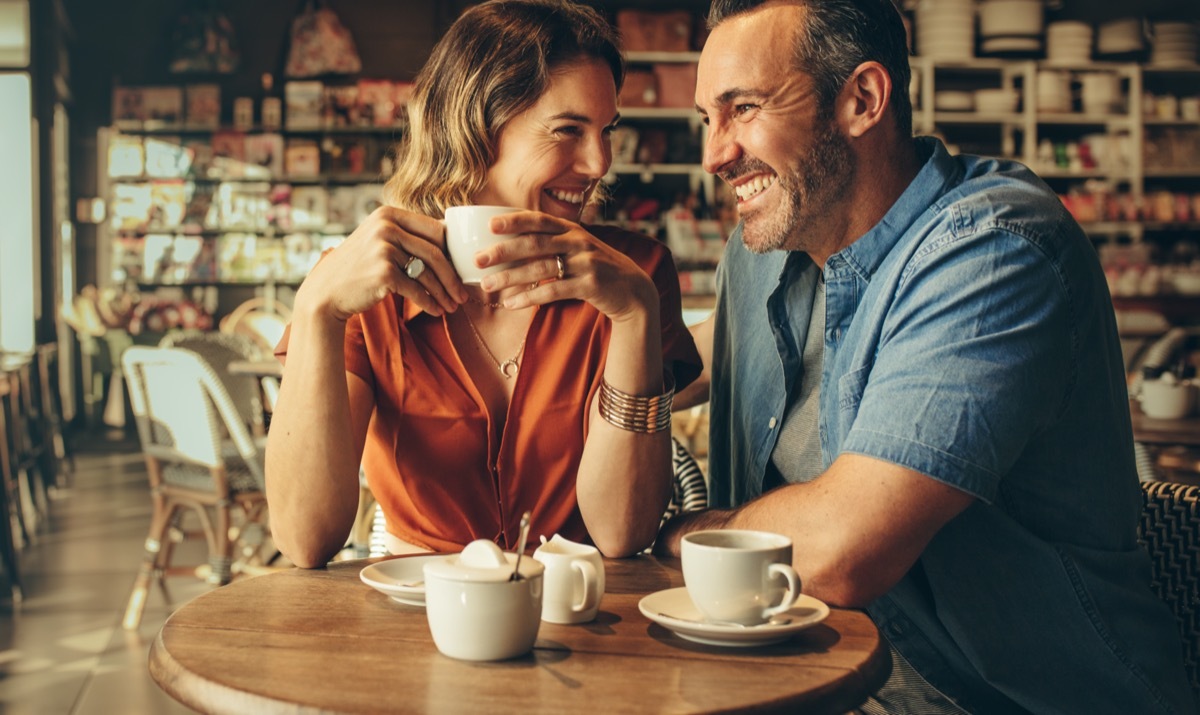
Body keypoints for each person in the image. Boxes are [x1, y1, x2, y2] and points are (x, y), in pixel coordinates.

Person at [660, 1, 1196, 713]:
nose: (715, 154)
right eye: (708, 119)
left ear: (862, 99)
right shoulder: (767, 249)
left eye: (744, 108)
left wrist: (676, 532)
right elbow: (692, 356)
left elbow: (844, 549)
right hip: (828, 689)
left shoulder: (995, 250)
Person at [266, 0, 700, 568]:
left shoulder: (635, 276)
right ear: (476, 126)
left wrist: (636, 314)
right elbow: (304, 540)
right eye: (568, 130)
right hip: (415, 621)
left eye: (606, 131)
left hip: (585, 627)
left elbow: (621, 532)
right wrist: (318, 309)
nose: (600, 162)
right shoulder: (365, 283)